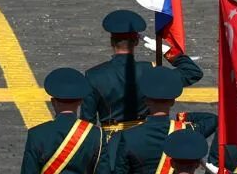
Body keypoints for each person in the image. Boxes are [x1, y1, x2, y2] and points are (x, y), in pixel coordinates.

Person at [84, 9, 203, 138]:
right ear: (136, 41)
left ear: (111, 41)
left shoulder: (93, 75)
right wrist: (167, 51)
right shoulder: (151, 70)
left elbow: (87, 123)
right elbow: (192, 72)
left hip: (111, 141)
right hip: (144, 137)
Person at [110, 65, 217, 174]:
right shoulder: (186, 131)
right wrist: (183, 117)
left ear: (146, 101)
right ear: (172, 101)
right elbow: (212, 119)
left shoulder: (128, 136)